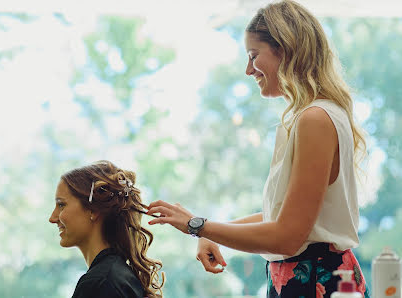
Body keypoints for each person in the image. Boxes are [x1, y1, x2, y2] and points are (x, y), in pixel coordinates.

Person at [146, 0, 370, 297]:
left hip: (315, 281)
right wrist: (208, 229)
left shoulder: (314, 119)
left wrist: (197, 226)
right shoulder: (314, 115)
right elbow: (281, 215)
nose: (248, 70)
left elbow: (288, 236)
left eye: (254, 56)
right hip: (314, 279)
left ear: (286, 49)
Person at [49, 160, 164, 298]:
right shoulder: (118, 276)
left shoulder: (99, 284)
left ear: (93, 210)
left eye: (61, 205)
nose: (52, 218)